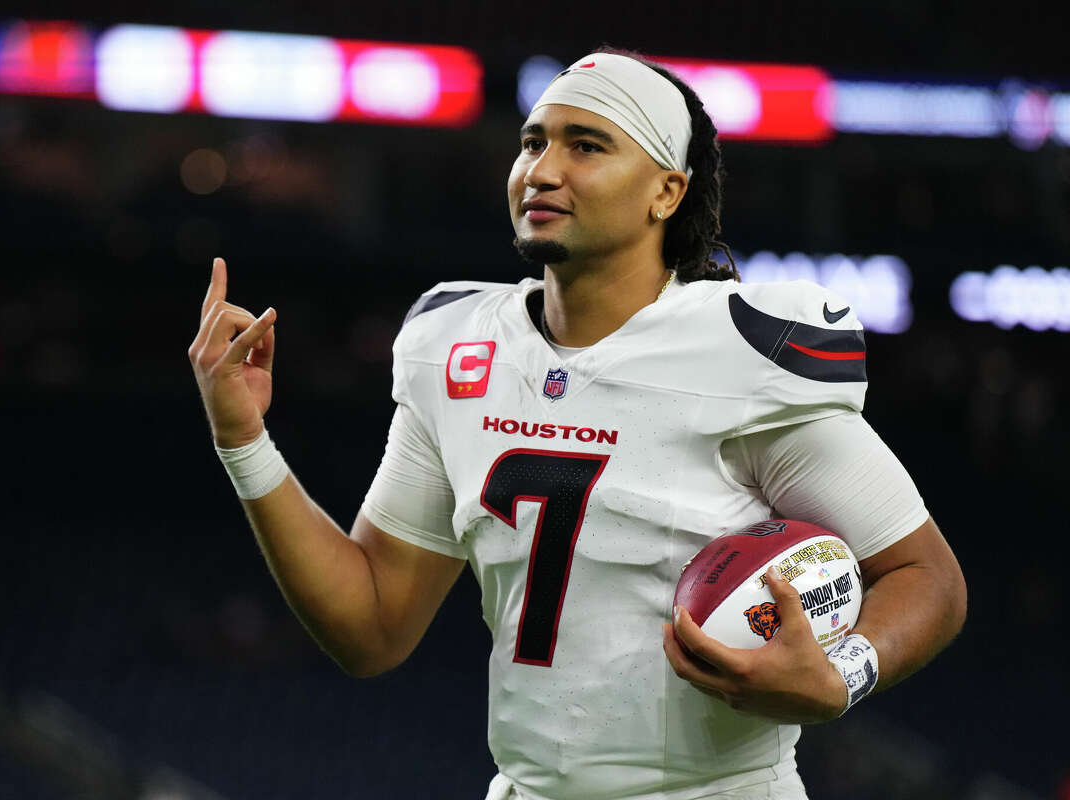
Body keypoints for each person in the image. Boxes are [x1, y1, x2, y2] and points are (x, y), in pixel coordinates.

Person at [187, 48, 966, 800]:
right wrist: (244, 442)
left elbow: (927, 576)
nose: (543, 169)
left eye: (586, 145)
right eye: (533, 142)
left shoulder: (742, 355)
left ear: (667, 192)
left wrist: (844, 675)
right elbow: (371, 624)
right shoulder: (457, 346)